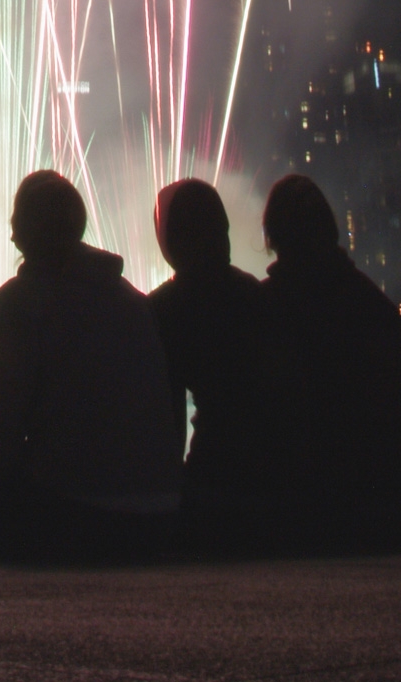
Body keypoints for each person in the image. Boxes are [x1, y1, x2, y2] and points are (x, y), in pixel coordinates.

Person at [0, 170, 183, 560]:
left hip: (76, 513)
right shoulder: (135, 303)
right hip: (160, 517)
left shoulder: (13, 307)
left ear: (21, 232)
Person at [256, 174, 401, 551]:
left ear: (273, 238)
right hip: (389, 505)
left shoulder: (262, 311)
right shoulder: (375, 306)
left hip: (305, 510)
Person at [147, 178, 265, 541]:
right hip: (274, 475)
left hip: (215, 474)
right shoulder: (255, 295)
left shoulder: (163, 309)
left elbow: (166, 420)